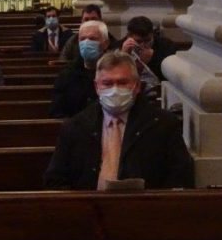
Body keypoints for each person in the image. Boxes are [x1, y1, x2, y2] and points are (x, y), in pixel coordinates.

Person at [44, 50, 193, 190]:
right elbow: (55, 179)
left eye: (122, 83)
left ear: (137, 86)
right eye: (107, 84)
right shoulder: (75, 127)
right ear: (97, 87)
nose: (115, 90)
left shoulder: (163, 124)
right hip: (91, 211)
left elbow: (180, 176)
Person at [50, 20, 110, 118]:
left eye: (92, 39)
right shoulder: (67, 74)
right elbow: (56, 111)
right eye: (82, 39)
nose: (86, 43)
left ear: (105, 43)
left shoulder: (114, 71)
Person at [120, 15, 178, 82]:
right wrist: (123, 56)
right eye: (138, 41)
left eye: (147, 41)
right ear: (128, 36)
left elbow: (170, 76)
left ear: (152, 34)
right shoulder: (119, 46)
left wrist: (152, 60)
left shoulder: (167, 46)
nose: (142, 45)